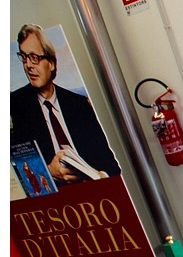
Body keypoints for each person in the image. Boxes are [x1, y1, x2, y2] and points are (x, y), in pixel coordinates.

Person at [10, 23, 121, 184]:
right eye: (24, 57)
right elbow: (14, 171)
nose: (28, 65)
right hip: (51, 201)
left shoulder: (78, 104)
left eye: (34, 57)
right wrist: (49, 172)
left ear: (51, 63)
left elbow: (110, 164)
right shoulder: (16, 105)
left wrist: (100, 177)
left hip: (93, 195)